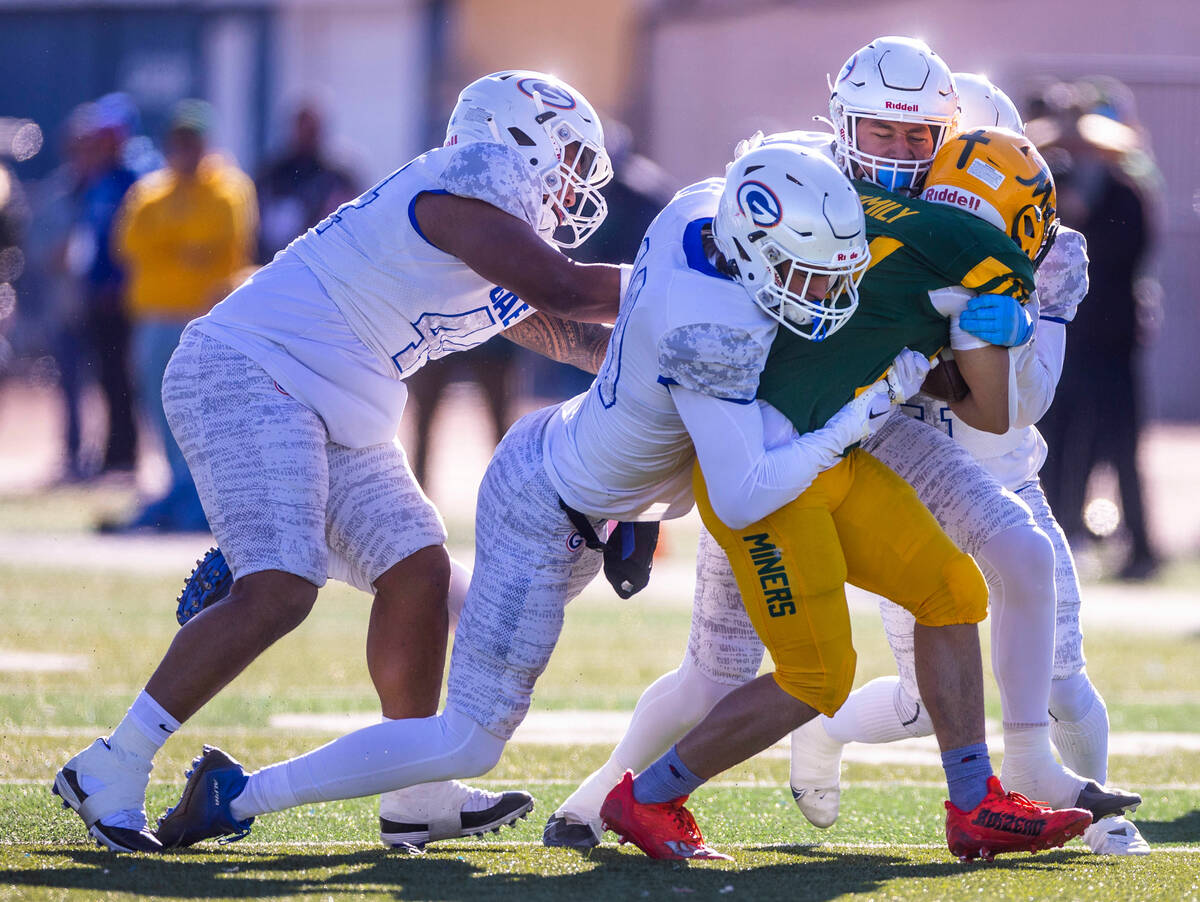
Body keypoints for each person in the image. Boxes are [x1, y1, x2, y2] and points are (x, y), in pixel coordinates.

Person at [151, 142, 1082, 866]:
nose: (826, 295)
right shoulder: (711, 333)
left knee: (947, 590)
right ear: (758, 255)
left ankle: (971, 801)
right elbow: (751, 480)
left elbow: (620, 335)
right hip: (547, 506)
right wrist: (873, 404)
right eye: (807, 276)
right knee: (470, 741)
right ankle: (240, 795)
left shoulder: (701, 221)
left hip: (616, 487)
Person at [545, 39, 1135, 855]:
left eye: (918, 141)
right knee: (801, 676)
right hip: (759, 462)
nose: (898, 159)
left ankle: (976, 801)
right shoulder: (940, 233)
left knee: (952, 590)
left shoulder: (838, 197)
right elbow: (992, 406)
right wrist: (979, 327)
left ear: (944, 147)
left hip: (836, 451)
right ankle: (634, 798)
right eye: (882, 133)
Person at [53, 70, 623, 853]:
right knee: (282, 586)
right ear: (513, 147)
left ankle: (418, 792)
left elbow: (575, 334)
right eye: (560, 166)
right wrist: (691, 288)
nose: (565, 193)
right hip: (250, 372)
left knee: (417, 571)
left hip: (330, 407)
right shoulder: (456, 195)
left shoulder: (487, 233)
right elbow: (566, 288)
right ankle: (111, 765)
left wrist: (671, 360)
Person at [784, 74, 1149, 856]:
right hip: (913, 477)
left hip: (1007, 471)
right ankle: (822, 732)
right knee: (923, 704)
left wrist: (1004, 331)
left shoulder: (1053, 251)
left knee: (1061, 677)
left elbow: (1028, 400)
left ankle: (1104, 817)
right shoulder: (889, 228)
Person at [104, 99, 259, 533]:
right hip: (154, 319)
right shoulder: (151, 189)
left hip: (206, 320)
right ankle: (177, 494)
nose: (186, 149)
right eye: (180, 141)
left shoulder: (228, 187)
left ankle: (205, 503)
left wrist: (171, 245)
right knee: (160, 411)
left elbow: (215, 244)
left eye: (194, 141)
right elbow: (128, 244)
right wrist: (182, 247)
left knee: (207, 413)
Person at [256, 100, 359, 262]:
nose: (306, 135)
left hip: (324, 263)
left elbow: (352, 224)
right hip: (275, 262)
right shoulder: (273, 174)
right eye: (302, 128)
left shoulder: (339, 176)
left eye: (312, 130)